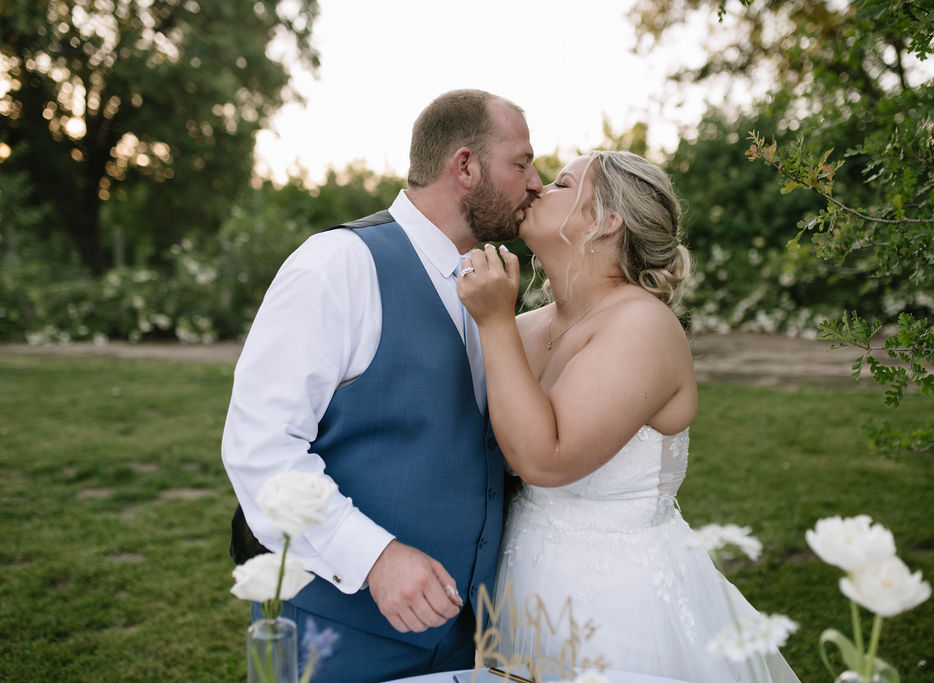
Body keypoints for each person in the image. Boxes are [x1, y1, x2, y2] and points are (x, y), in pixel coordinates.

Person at [221, 89, 542, 683]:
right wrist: (374, 558)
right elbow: (260, 447)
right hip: (342, 638)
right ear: (466, 166)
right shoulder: (338, 265)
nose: (536, 182)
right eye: (521, 163)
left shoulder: (486, 285)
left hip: (465, 639)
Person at [457, 151, 800, 681]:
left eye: (561, 184)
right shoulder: (525, 327)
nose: (537, 189)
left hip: (624, 606)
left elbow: (546, 460)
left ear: (607, 220)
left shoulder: (643, 326)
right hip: (521, 587)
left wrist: (493, 322)